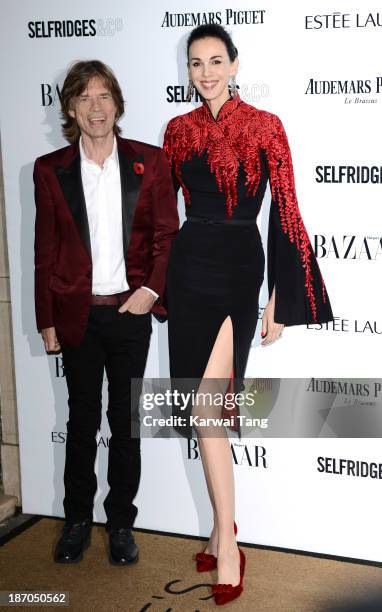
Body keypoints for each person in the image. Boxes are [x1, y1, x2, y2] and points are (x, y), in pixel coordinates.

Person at [163, 25, 333, 605]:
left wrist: (282, 295)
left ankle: (231, 549)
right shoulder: (177, 131)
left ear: (235, 64)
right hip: (188, 267)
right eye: (195, 63)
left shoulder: (265, 125)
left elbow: (285, 209)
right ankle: (220, 530)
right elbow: (163, 213)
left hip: (237, 267)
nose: (206, 72)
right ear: (187, 71)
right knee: (201, 403)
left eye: (215, 60)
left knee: (211, 406)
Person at [34, 60, 178, 565]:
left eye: (104, 96)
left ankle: (120, 523)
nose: (96, 107)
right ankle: (76, 521)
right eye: (85, 97)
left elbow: (167, 236)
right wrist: (46, 319)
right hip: (77, 316)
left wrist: (148, 290)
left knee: (126, 421)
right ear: (72, 107)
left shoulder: (150, 162)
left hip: (129, 314)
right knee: (80, 422)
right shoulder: (50, 169)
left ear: (117, 104)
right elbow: (45, 251)